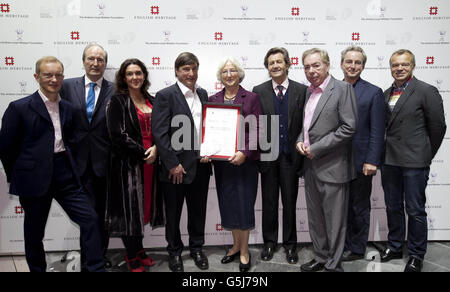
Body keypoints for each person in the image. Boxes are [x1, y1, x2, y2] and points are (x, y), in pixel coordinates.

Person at [0, 56, 105, 272]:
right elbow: (6, 148)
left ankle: (95, 268)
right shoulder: (19, 108)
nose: (54, 79)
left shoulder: (68, 108)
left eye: (58, 75)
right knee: (34, 231)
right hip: (33, 177)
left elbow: (71, 141)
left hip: (64, 173)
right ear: (37, 77)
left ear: (63, 77)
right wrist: (19, 175)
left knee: (90, 219)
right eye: (48, 75)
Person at [380, 49, 446, 272]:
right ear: (390, 67)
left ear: (413, 66)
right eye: (395, 65)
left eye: (404, 64)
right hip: (389, 161)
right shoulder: (386, 93)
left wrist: (425, 154)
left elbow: (438, 127)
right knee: (392, 206)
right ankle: (395, 246)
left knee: (415, 210)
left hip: (415, 163)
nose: (399, 68)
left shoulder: (426, 91)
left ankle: (417, 254)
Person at [296, 48, 357, 272]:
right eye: (307, 67)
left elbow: (349, 127)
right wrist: (300, 141)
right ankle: (321, 257)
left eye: (316, 65)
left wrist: (318, 148)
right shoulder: (308, 92)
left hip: (333, 166)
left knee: (335, 221)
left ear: (328, 65)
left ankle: (334, 264)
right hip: (310, 166)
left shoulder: (343, 89)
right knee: (316, 218)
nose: (311, 71)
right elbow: (307, 126)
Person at [152, 52, 212, 272]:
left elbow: (206, 128)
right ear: (177, 71)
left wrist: (209, 151)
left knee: (198, 212)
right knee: (173, 215)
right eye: (186, 69)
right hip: (175, 169)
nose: (191, 73)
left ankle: (197, 249)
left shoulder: (203, 93)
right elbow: (160, 133)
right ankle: (174, 252)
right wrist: (172, 163)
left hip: (201, 166)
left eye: (194, 68)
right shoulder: (165, 95)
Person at [105, 58, 163, 272]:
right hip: (128, 166)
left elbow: (161, 128)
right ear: (123, 77)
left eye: (138, 73)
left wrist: (156, 148)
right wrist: (143, 153)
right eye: (130, 74)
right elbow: (117, 135)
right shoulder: (117, 101)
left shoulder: (152, 99)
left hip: (152, 163)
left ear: (144, 75)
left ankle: (139, 250)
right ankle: (132, 255)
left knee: (143, 209)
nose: (134, 77)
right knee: (130, 212)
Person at [60, 43, 114, 269]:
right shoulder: (65, 86)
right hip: (75, 162)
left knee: (102, 214)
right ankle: (89, 259)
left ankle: (98, 255)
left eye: (100, 59)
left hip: (106, 163)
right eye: (91, 58)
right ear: (83, 61)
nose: (95, 63)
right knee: (88, 215)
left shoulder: (115, 89)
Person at [252, 47, 307, 264]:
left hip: (291, 157)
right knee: (269, 202)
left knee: (290, 202)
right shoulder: (259, 90)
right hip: (267, 157)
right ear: (267, 67)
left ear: (287, 64)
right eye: (271, 63)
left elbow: (306, 122)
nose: (275, 65)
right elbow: (254, 124)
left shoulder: (301, 90)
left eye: (278, 61)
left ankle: (290, 245)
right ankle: (269, 242)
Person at [208, 58, 262, 272]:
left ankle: (244, 250)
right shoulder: (213, 98)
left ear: (239, 74)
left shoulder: (251, 98)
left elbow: (258, 129)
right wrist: (207, 151)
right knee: (228, 205)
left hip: (244, 163)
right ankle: (235, 245)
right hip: (222, 164)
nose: (229, 74)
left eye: (232, 71)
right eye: (224, 71)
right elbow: (210, 129)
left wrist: (245, 152)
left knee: (244, 205)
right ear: (220, 76)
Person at [339, 46, 386, 261]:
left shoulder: (373, 92)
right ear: (341, 64)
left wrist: (372, 160)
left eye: (358, 62)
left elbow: (378, 130)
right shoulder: (333, 88)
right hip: (335, 162)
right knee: (339, 208)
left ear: (363, 66)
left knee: (359, 207)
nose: (353, 66)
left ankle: (357, 248)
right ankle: (341, 244)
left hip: (361, 162)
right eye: (349, 61)